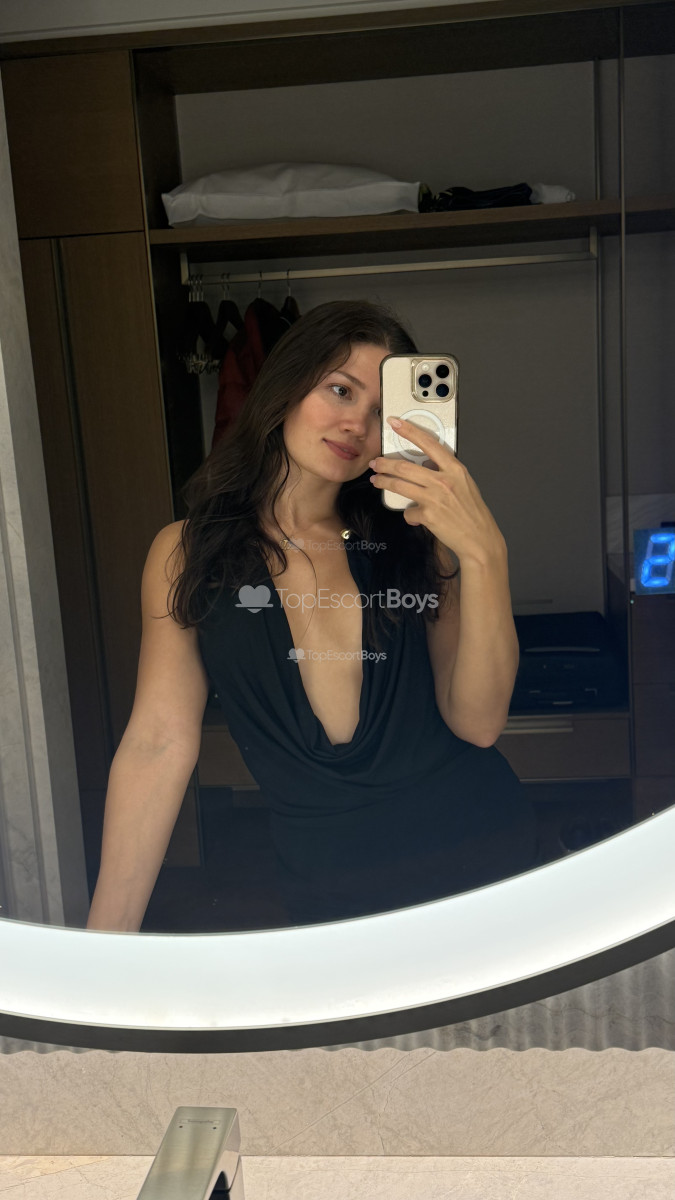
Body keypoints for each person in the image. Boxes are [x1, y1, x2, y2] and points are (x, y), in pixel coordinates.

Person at [86, 299, 538, 932]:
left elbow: (480, 723)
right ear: (288, 386)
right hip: (330, 892)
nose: (357, 423)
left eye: (380, 411)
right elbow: (157, 743)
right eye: (340, 390)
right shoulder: (187, 552)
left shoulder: (417, 541)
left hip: (484, 861)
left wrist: (487, 555)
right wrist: (104, 943)